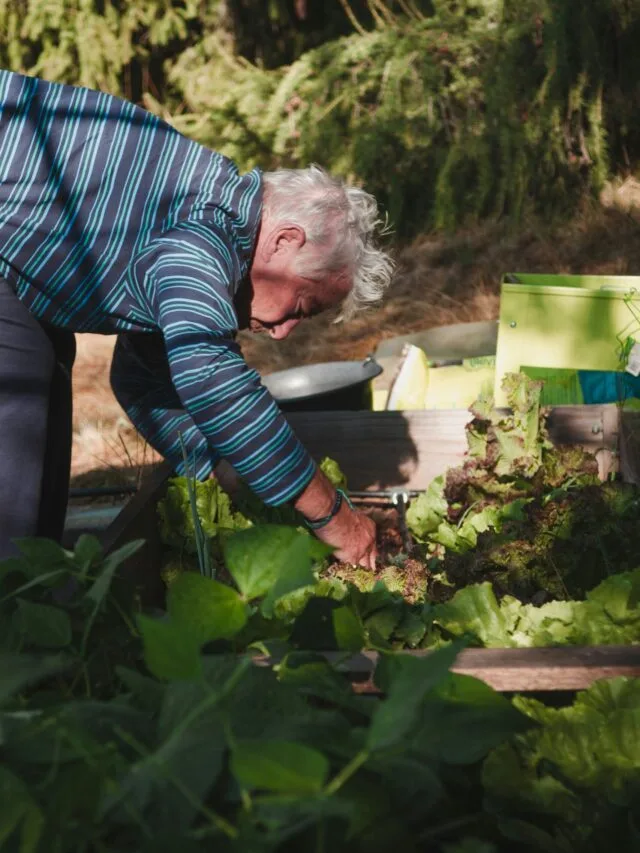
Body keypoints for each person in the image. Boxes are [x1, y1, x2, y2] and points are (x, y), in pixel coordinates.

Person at [0, 68, 394, 565]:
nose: (284, 330)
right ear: (285, 239)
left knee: (44, 373)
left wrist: (222, 468)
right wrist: (334, 517)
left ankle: (30, 601)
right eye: (300, 306)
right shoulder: (203, 238)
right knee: (19, 389)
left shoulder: (207, 210)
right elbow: (209, 375)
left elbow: (142, 375)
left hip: (15, 249)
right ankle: (18, 617)